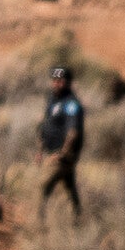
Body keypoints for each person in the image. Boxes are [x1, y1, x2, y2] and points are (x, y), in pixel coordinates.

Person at [35, 64, 86, 220]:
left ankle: (38, 225)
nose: (57, 83)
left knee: (42, 187)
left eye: (60, 80)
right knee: (70, 189)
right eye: (54, 80)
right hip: (51, 152)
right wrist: (40, 150)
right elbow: (46, 125)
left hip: (62, 155)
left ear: (68, 82)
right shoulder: (52, 99)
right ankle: (78, 220)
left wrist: (62, 154)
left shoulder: (71, 104)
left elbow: (73, 132)